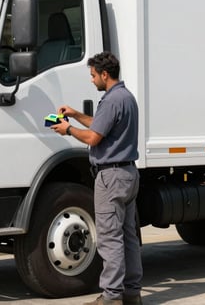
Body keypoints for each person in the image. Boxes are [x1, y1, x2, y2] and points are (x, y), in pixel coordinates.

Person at [51, 51, 143, 305]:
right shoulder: (126, 97)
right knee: (128, 237)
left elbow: (93, 137)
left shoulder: (112, 100)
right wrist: (76, 114)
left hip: (111, 177)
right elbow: (100, 124)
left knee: (109, 238)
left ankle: (112, 296)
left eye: (93, 75)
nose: (92, 80)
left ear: (105, 74)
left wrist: (67, 129)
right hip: (128, 174)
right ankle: (132, 294)